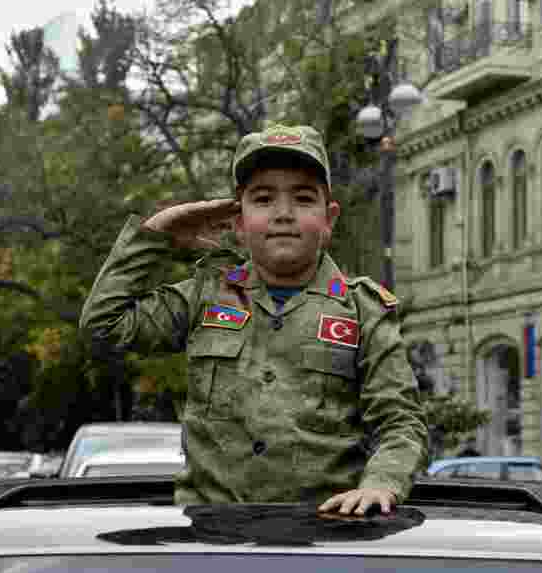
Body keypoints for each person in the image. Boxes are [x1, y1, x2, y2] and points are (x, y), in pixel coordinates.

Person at [80, 123, 429, 516]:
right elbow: (104, 327)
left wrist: (382, 482)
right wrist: (155, 235)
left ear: (328, 218)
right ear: (239, 223)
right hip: (211, 542)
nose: (283, 214)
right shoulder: (204, 296)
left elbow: (401, 421)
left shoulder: (362, 309)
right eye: (263, 199)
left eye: (302, 198)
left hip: (324, 541)